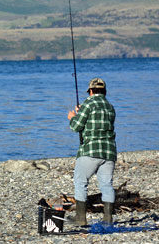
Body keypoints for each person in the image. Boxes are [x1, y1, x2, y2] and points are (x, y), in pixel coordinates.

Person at [67, 78, 117, 226]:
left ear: (90, 91)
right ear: (105, 91)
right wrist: (81, 112)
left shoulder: (88, 104)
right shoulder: (110, 107)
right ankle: (108, 220)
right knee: (107, 184)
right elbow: (98, 121)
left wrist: (73, 117)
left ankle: (80, 219)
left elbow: (76, 127)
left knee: (80, 182)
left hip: (90, 150)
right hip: (109, 152)